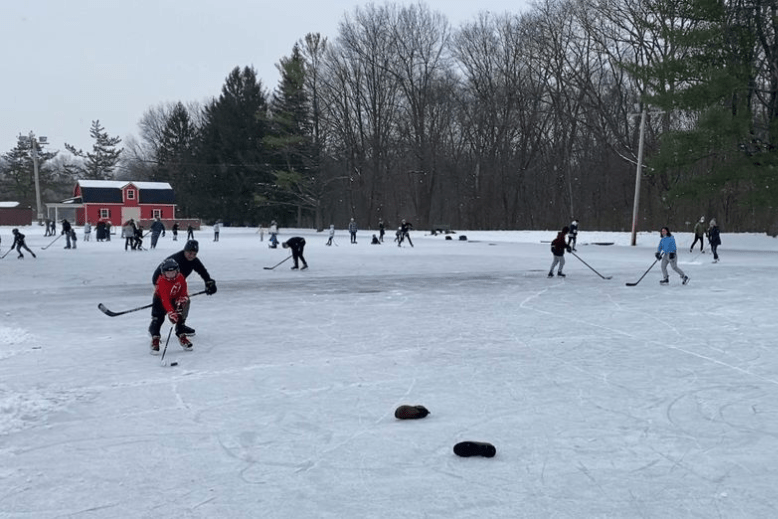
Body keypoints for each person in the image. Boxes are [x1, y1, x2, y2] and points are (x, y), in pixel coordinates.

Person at [149, 239, 217, 345]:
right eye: (189, 252)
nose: (191, 255)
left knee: (185, 303)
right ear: (185, 250)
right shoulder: (176, 260)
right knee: (163, 309)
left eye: (194, 254)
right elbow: (157, 277)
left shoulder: (194, 261)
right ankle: (155, 330)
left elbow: (202, 271)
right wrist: (166, 295)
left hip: (178, 286)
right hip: (163, 284)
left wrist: (209, 282)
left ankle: (180, 326)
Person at [148, 258, 192, 354]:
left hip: (174, 298)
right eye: (168, 273)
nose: (171, 275)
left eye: (173, 272)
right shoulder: (161, 282)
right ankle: (155, 338)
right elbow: (165, 300)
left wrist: (182, 299)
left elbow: (184, 291)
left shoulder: (181, 278)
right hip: (159, 300)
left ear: (177, 271)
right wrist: (171, 312)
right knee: (158, 319)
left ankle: (181, 335)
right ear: (164, 273)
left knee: (179, 317)